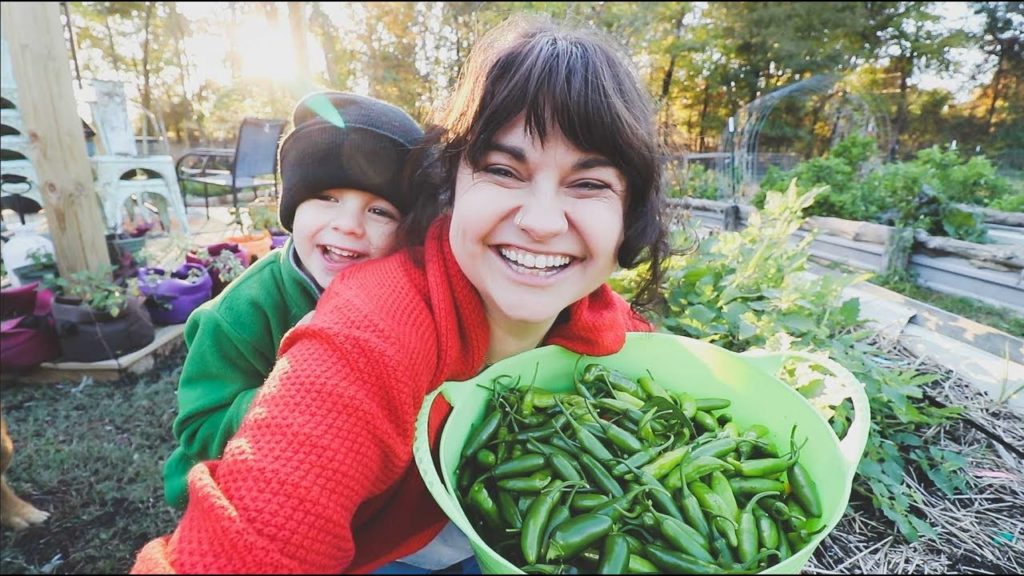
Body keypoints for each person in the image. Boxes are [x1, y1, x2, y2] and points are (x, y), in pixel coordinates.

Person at [132, 13, 668, 574]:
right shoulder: (377, 324)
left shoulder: (605, 326)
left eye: (589, 183)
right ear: (453, 186)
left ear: (628, 219)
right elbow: (249, 539)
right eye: (505, 171)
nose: (539, 221)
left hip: (459, 539)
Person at [161, 90, 438, 510]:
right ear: (292, 207)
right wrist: (291, 401)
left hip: (350, 475)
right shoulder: (237, 315)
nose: (347, 225)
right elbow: (199, 427)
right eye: (327, 198)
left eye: (380, 211)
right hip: (246, 482)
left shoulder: (405, 297)